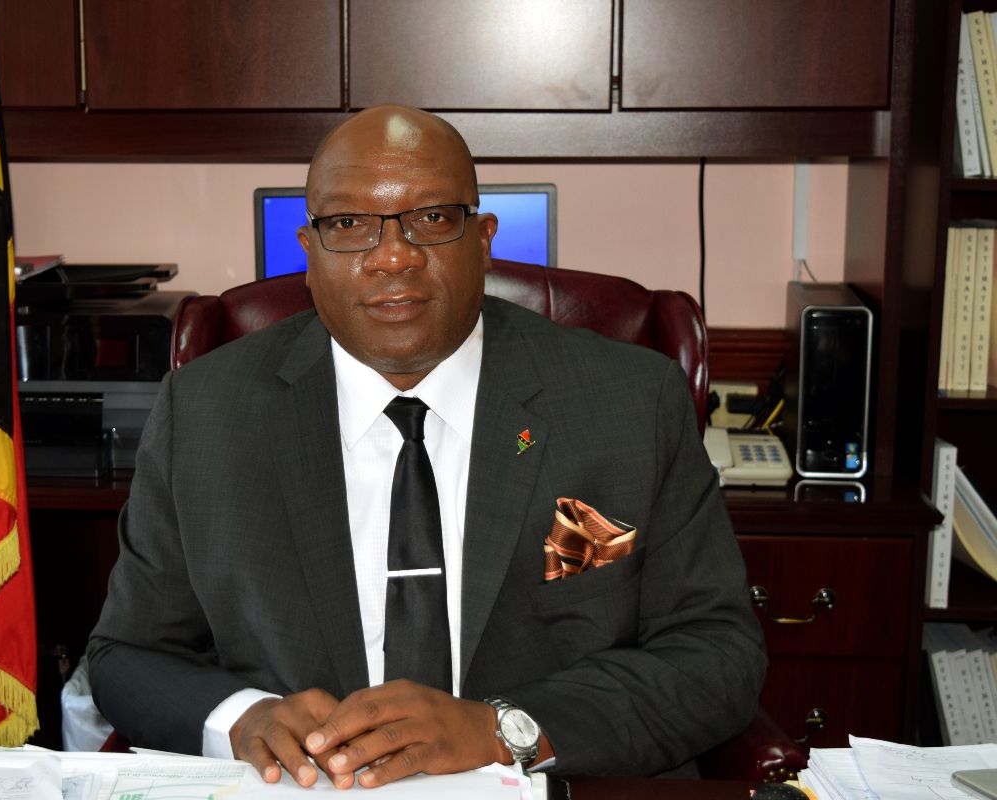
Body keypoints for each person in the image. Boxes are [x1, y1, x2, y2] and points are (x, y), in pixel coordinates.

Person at [87, 105, 766, 788]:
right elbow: (128, 654)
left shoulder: (631, 403)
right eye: (348, 224)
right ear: (309, 250)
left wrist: (501, 730)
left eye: (433, 218)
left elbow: (717, 653)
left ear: (484, 239)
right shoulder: (205, 413)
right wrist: (243, 718)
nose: (393, 257)